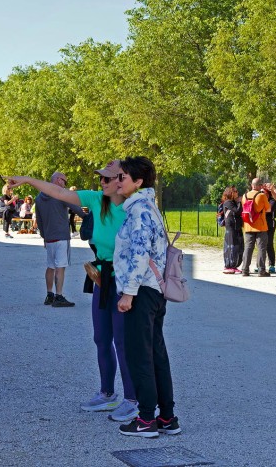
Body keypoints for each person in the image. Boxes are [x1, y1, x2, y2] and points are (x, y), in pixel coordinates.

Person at [6, 160, 139, 423]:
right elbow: (58, 192)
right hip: (103, 276)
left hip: (127, 280)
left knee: (124, 342)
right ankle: (107, 393)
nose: (102, 182)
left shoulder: (134, 206)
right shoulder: (97, 199)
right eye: (100, 178)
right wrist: (28, 179)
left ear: (122, 180)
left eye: (107, 178)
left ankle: (133, 399)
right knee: (101, 338)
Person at [114, 156, 179, 438]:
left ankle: (146, 419)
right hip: (154, 290)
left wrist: (128, 293)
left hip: (141, 291)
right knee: (156, 354)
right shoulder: (149, 206)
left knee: (140, 356)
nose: (117, 181)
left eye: (122, 177)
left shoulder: (140, 210)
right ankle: (166, 417)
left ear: (138, 181)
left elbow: (140, 253)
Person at [34, 173, 84, 307]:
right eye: (64, 181)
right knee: (60, 267)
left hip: (49, 238)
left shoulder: (39, 198)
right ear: (58, 180)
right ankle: (59, 296)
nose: (65, 185)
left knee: (50, 266)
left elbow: (39, 220)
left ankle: (49, 295)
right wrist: (88, 217)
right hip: (61, 236)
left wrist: (44, 237)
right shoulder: (60, 193)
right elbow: (76, 208)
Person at [240, 178, 271, 277]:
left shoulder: (244, 196)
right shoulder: (261, 195)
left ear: (252, 185)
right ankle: (261, 271)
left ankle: (245, 270)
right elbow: (268, 209)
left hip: (248, 226)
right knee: (261, 248)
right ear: (259, 186)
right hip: (260, 226)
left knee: (248, 248)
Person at [220, 186, 243, 273]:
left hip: (237, 227)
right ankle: (228, 265)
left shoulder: (233, 202)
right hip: (231, 228)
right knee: (231, 246)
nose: (237, 193)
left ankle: (235, 265)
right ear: (231, 193)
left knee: (238, 246)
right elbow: (237, 211)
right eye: (235, 191)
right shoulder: (228, 202)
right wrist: (240, 202)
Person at [262, 186, 276, 274]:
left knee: (269, 244)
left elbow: (268, 210)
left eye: (264, 193)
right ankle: (260, 264)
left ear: (268, 194)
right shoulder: (261, 200)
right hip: (261, 224)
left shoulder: (272, 201)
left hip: (270, 224)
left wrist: (258, 208)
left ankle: (272, 265)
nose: (262, 194)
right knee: (261, 244)